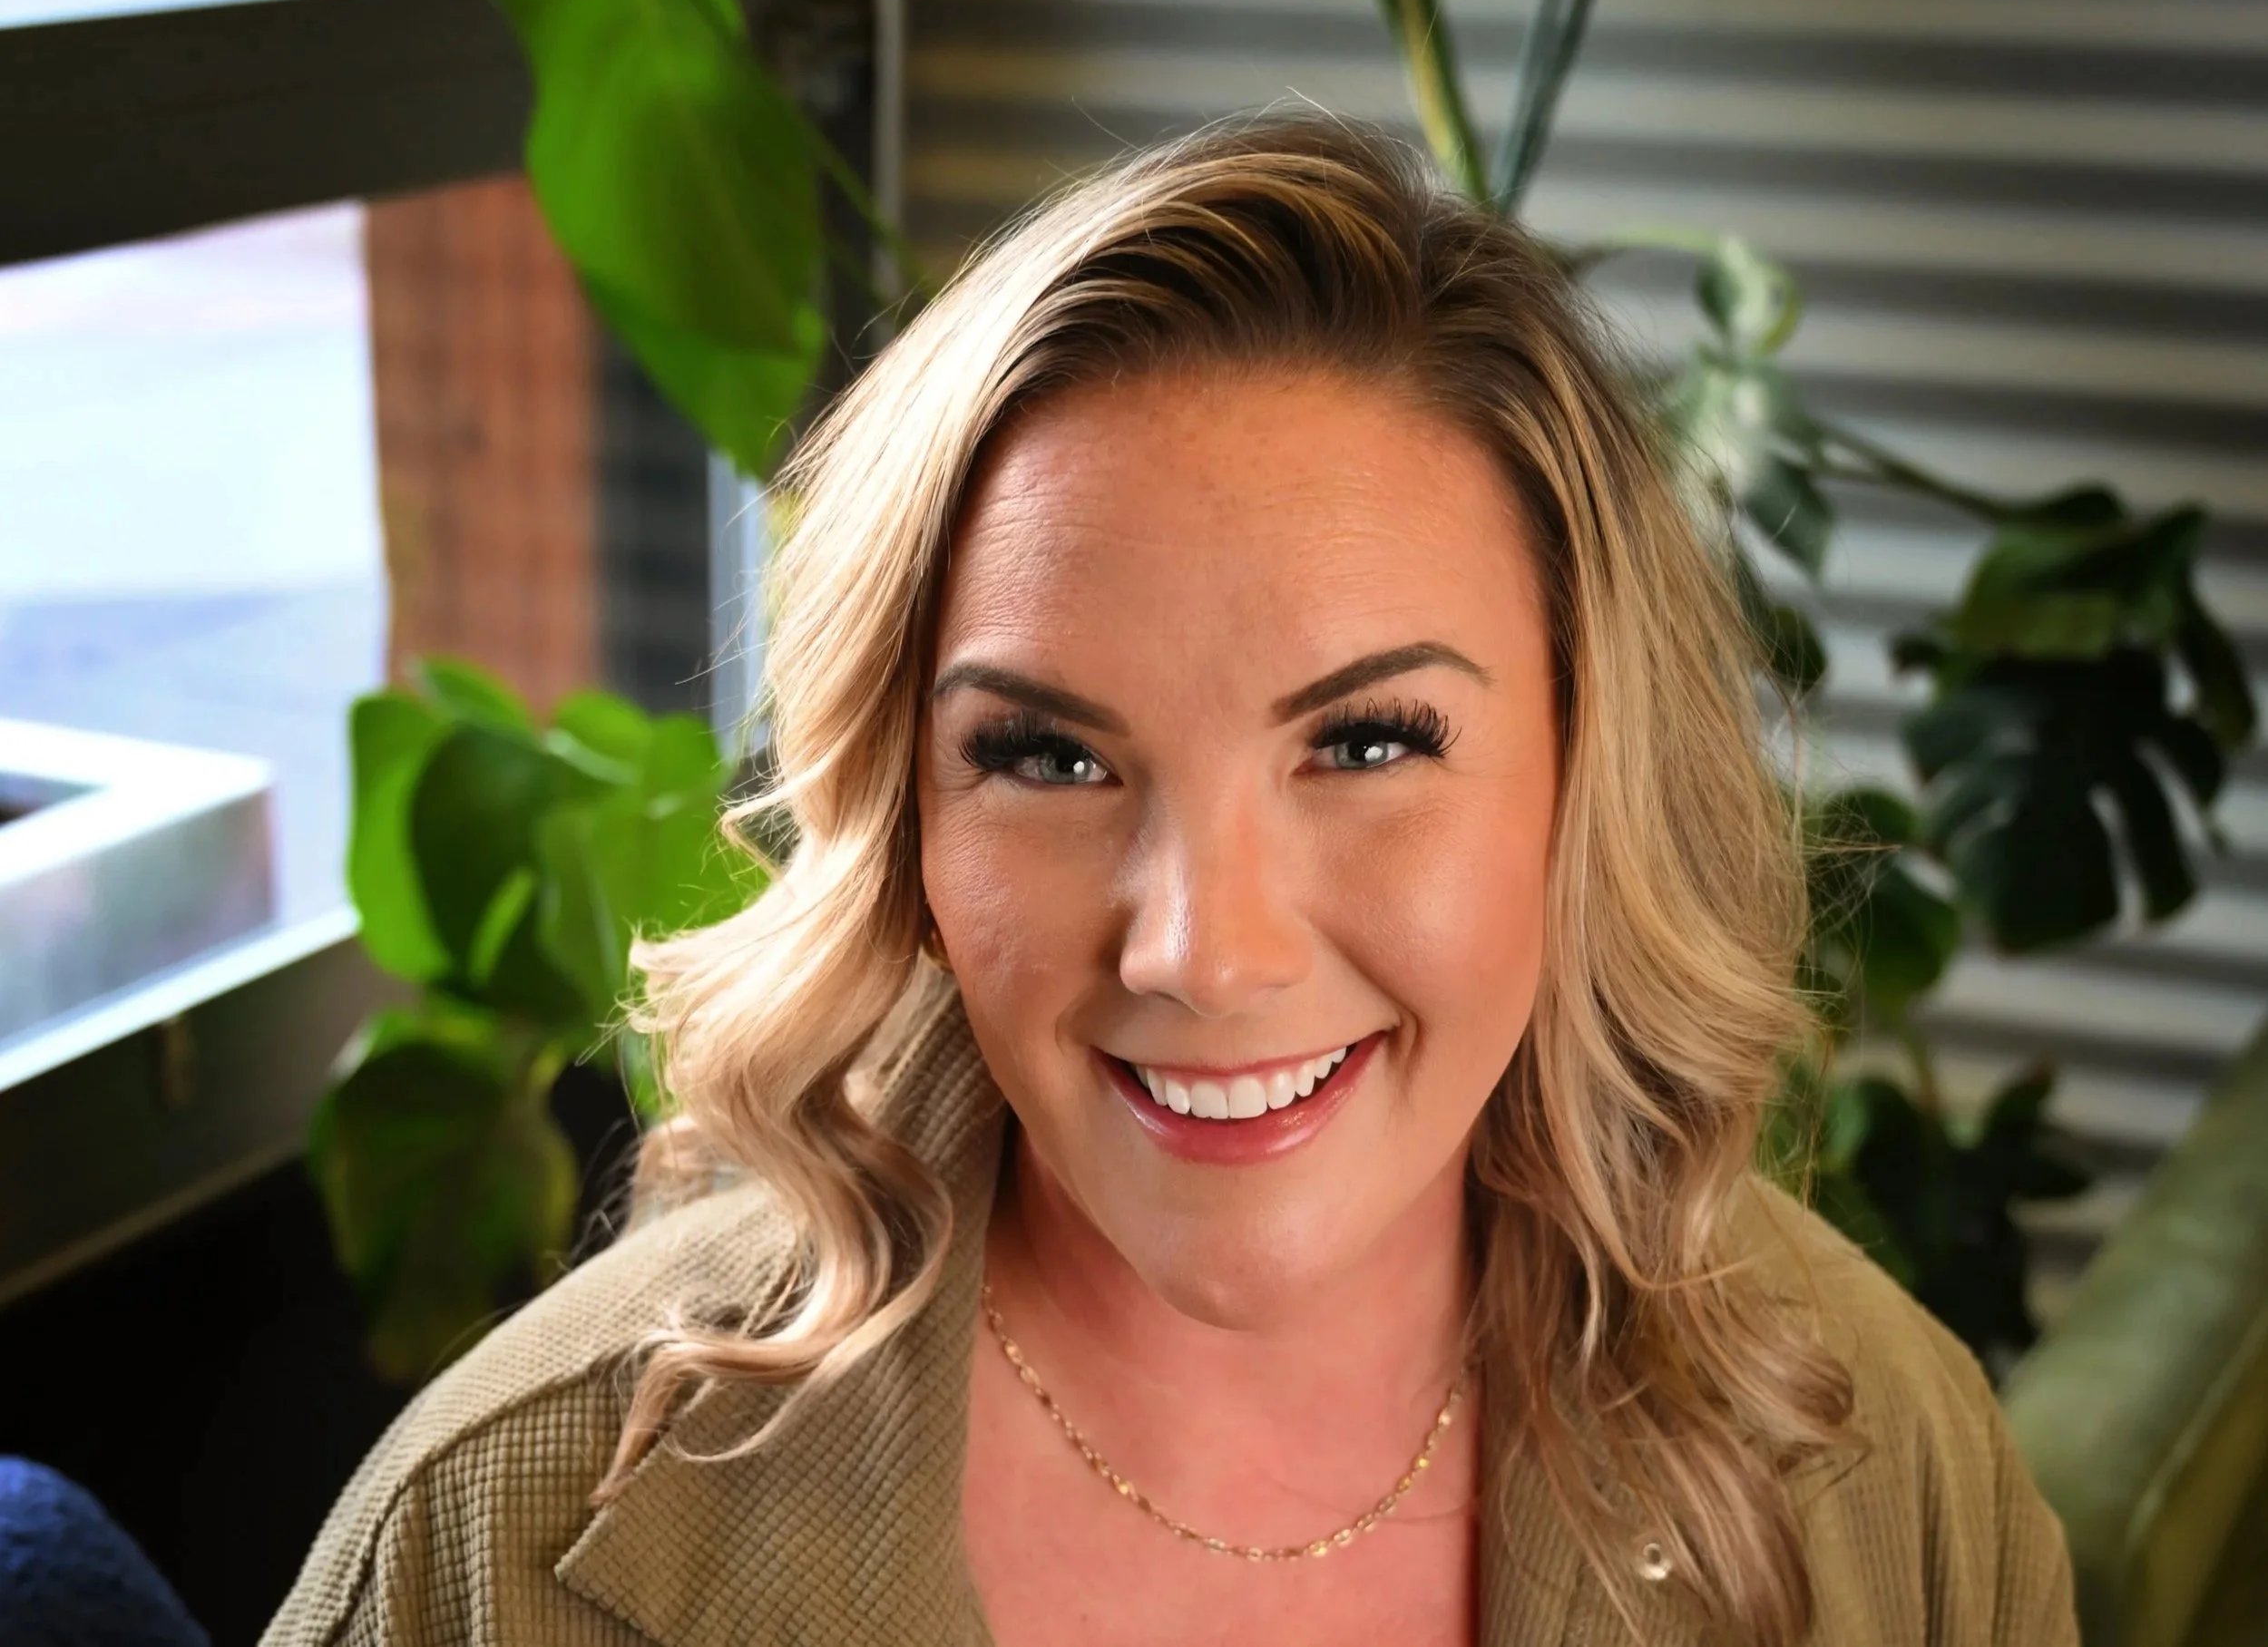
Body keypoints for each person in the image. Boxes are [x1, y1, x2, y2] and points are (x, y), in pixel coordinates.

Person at [266, 113, 2078, 1647]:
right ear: (904, 809)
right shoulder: (486, 1551)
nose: (1204, 951)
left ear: (1579, 769)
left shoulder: (1889, 1472)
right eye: (1048, 757)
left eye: (1366, 743)